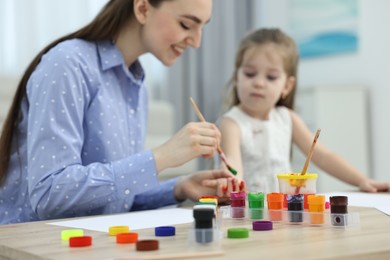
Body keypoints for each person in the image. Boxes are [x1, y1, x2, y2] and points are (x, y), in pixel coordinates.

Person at [0, 0, 240, 225]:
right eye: (186, 24)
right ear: (143, 9)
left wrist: (179, 187)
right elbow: (50, 195)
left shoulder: (136, 85)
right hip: (29, 243)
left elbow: (114, 199)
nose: (196, 42)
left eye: (202, 28)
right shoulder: (67, 65)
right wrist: (162, 156)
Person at [218, 28, 390, 194]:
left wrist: (362, 181)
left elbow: (323, 156)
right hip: (248, 215)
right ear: (236, 78)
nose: (259, 83)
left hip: (284, 213)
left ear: (287, 86)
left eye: (271, 77)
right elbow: (232, 164)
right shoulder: (232, 123)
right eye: (250, 74)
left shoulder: (287, 118)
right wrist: (232, 183)